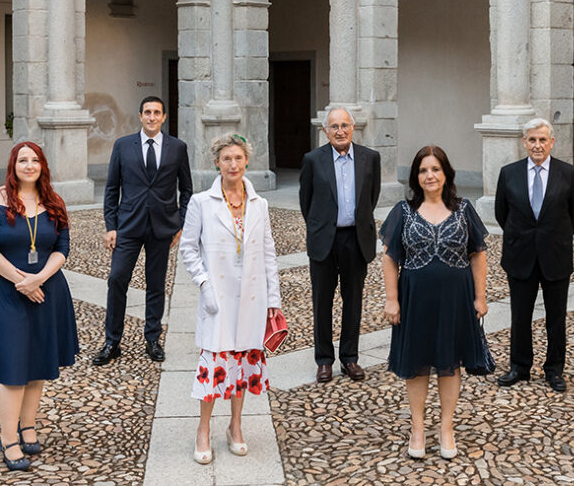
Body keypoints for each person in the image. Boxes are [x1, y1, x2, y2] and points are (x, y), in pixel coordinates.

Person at [0, 141, 79, 471]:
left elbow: (62, 248)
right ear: (13, 166)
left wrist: (39, 278)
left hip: (47, 291)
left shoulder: (54, 201)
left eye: (35, 160)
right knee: (12, 369)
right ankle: (8, 439)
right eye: (22, 160)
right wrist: (22, 282)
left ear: (42, 165)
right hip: (4, 293)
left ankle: (28, 426)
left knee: (38, 363)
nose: (29, 165)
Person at [381, 145, 494, 460]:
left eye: (435, 169)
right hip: (414, 300)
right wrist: (391, 299)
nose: (429, 175)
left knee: (449, 363)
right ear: (415, 177)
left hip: (455, 300)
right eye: (423, 170)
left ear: (446, 173)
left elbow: (478, 254)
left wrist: (480, 297)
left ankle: (446, 428)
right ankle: (417, 428)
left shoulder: (463, 209)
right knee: (417, 364)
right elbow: (389, 258)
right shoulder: (403, 211)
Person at [180, 134, 281, 464]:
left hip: (252, 297)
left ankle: (235, 426)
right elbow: (188, 249)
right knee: (214, 366)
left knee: (243, 364)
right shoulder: (201, 202)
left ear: (246, 161)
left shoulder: (259, 204)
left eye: (238, 158)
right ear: (217, 163)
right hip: (219, 297)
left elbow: (268, 253)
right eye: (226, 159)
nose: (233, 164)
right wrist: (204, 284)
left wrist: (273, 300)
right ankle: (203, 428)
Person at [94, 95, 193, 365]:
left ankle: (152, 339)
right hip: (128, 225)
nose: (152, 117)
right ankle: (112, 342)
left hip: (162, 227)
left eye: (156, 112)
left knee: (156, 284)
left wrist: (180, 223)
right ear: (140, 116)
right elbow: (112, 188)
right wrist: (111, 226)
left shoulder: (177, 148)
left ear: (163, 117)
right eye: (147, 112)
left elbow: (186, 189)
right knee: (117, 279)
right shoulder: (123, 145)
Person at [495, 117, 574, 393]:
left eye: (542, 140)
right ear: (524, 142)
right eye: (532, 140)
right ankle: (519, 367)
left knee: (556, 318)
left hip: (555, 255)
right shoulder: (508, 173)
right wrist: (524, 237)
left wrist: (553, 237)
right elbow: (501, 213)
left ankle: (554, 370)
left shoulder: (568, 173)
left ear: (552, 142)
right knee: (520, 316)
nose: (537, 145)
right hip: (520, 256)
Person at [299, 107, 381, 383]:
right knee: (322, 302)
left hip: (356, 239)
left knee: (353, 301)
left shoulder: (370, 158)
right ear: (325, 131)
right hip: (324, 239)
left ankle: (349, 358)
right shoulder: (313, 160)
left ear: (353, 127)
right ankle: (324, 360)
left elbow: (372, 197)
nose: (340, 131)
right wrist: (320, 226)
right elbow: (306, 201)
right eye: (334, 126)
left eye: (345, 125)